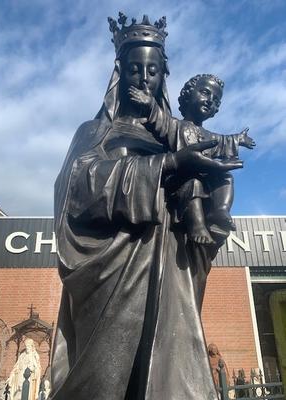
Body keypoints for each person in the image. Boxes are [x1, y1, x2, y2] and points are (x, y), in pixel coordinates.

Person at [50, 13, 243, 400]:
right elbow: (77, 187)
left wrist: (213, 216)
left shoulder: (175, 134)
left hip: (169, 267)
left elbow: (207, 197)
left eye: (152, 70)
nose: (143, 77)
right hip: (113, 275)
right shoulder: (95, 132)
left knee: (168, 376)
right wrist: (168, 166)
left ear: (162, 76)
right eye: (134, 69)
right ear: (120, 74)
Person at [128, 74, 256, 244]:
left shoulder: (209, 135)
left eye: (216, 101)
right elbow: (160, 119)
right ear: (188, 94)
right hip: (178, 178)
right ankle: (197, 226)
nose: (211, 101)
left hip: (204, 179)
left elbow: (223, 141)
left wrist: (238, 139)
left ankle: (220, 210)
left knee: (225, 177)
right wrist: (150, 103)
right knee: (193, 182)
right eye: (205, 92)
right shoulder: (175, 125)